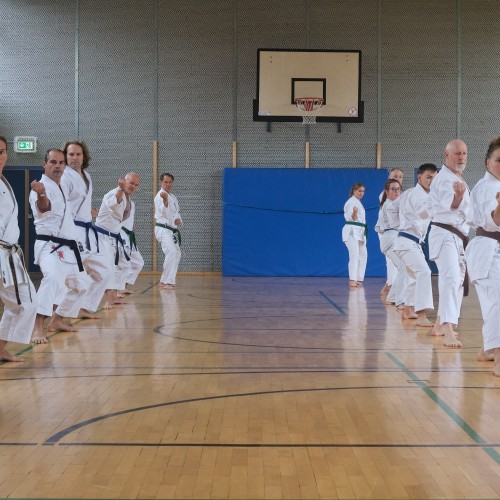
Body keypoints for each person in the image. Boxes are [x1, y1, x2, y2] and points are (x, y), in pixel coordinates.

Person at [29, 149, 91, 344]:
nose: (57, 166)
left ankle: (57, 320)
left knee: (83, 286)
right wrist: (41, 194)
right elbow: (43, 207)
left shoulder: (62, 186)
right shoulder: (40, 188)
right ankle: (36, 327)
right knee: (53, 277)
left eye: (61, 162)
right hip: (49, 245)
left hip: (68, 247)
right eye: (53, 162)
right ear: (44, 164)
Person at [61, 140, 113, 317]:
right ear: (65, 156)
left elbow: (79, 201)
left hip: (88, 232)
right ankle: (60, 312)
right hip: (72, 231)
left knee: (104, 271)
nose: (74, 158)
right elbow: (63, 204)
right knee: (71, 275)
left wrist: (88, 212)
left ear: (84, 156)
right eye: (71, 154)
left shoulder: (87, 176)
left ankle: (84, 307)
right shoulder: (65, 176)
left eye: (78, 154)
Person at [427, 140, 470, 348]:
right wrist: (458, 197)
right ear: (446, 155)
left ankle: (438, 324)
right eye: (457, 153)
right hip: (444, 234)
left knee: (457, 280)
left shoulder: (458, 179)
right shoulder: (444, 179)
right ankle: (448, 328)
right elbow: (451, 205)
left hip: (457, 236)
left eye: (464, 153)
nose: (461, 157)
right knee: (450, 278)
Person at [0, 135, 38, 361]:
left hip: (9, 254)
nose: (0, 156)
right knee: (25, 303)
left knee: (22, 304)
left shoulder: (4, 182)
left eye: (2, 151)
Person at [466, 136, 500, 375]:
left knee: (494, 303)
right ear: (487, 162)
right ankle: (498, 358)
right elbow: (493, 220)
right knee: (498, 302)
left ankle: (487, 350)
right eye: (499, 160)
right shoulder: (486, 187)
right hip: (488, 248)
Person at [388, 163, 438, 327]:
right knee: (424, 271)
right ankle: (422, 314)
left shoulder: (408, 193)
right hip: (407, 242)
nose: (431, 181)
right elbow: (423, 213)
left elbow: (391, 209)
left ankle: (408, 309)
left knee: (413, 275)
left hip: (409, 241)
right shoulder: (420, 196)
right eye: (428, 177)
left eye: (434, 178)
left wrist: (399, 225)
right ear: (419, 177)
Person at [95, 172, 141, 307]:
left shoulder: (128, 200)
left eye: (136, 185)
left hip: (114, 236)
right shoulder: (113, 193)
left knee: (125, 264)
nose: (133, 186)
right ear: (124, 181)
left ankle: (115, 294)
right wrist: (120, 189)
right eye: (131, 183)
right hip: (102, 235)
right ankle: (109, 299)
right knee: (109, 267)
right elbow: (113, 205)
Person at [375, 179, 405, 308]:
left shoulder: (391, 204)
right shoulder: (389, 205)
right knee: (404, 266)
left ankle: (392, 297)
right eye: (393, 189)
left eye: (398, 189)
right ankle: (398, 300)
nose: (396, 191)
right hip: (390, 239)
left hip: (393, 238)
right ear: (386, 192)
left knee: (405, 267)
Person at [154, 173, 183, 290]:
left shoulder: (173, 197)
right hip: (163, 228)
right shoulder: (160, 196)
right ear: (161, 182)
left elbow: (176, 212)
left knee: (176, 253)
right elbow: (164, 212)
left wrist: (178, 219)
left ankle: (163, 280)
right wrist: (165, 201)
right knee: (171, 252)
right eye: (165, 182)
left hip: (171, 230)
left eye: (170, 182)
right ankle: (168, 282)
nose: (168, 184)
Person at [380, 168, 404, 296]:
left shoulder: (396, 199)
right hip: (390, 235)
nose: (398, 178)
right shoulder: (389, 201)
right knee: (399, 265)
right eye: (395, 176)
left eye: (400, 176)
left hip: (393, 235)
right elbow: (396, 222)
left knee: (402, 265)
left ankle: (391, 290)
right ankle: (392, 291)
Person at [342, 182, 367, 288]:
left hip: (360, 231)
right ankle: (352, 279)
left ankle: (358, 278)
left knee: (363, 255)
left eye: (363, 191)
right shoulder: (351, 202)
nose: (361, 193)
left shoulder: (358, 202)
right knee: (354, 255)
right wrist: (354, 212)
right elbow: (351, 217)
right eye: (359, 191)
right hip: (351, 231)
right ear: (354, 191)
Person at [119, 200, 144, 295]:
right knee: (122, 264)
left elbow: (129, 218)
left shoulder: (132, 203)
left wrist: (131, 225)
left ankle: (122, 287)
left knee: (138, 262)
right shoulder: (117, 199)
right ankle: (116, 290)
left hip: (128, 236)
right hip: (120, 235)